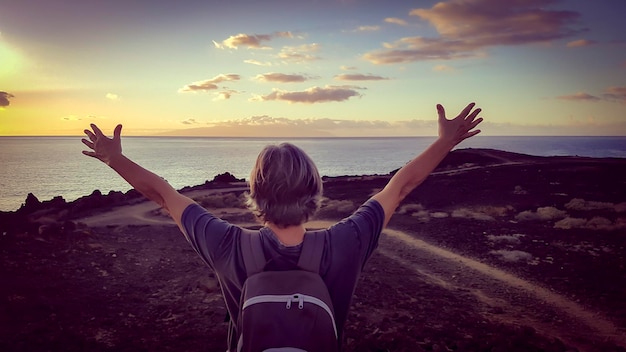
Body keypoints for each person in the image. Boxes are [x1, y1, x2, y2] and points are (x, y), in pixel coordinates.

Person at [82, 102, 483, 351]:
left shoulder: (227, 245)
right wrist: (445, 141)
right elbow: (400, 187)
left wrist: (115, 159)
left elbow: (163, 195)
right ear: (315, 191)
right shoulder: (347, 242)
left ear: (254, 193)